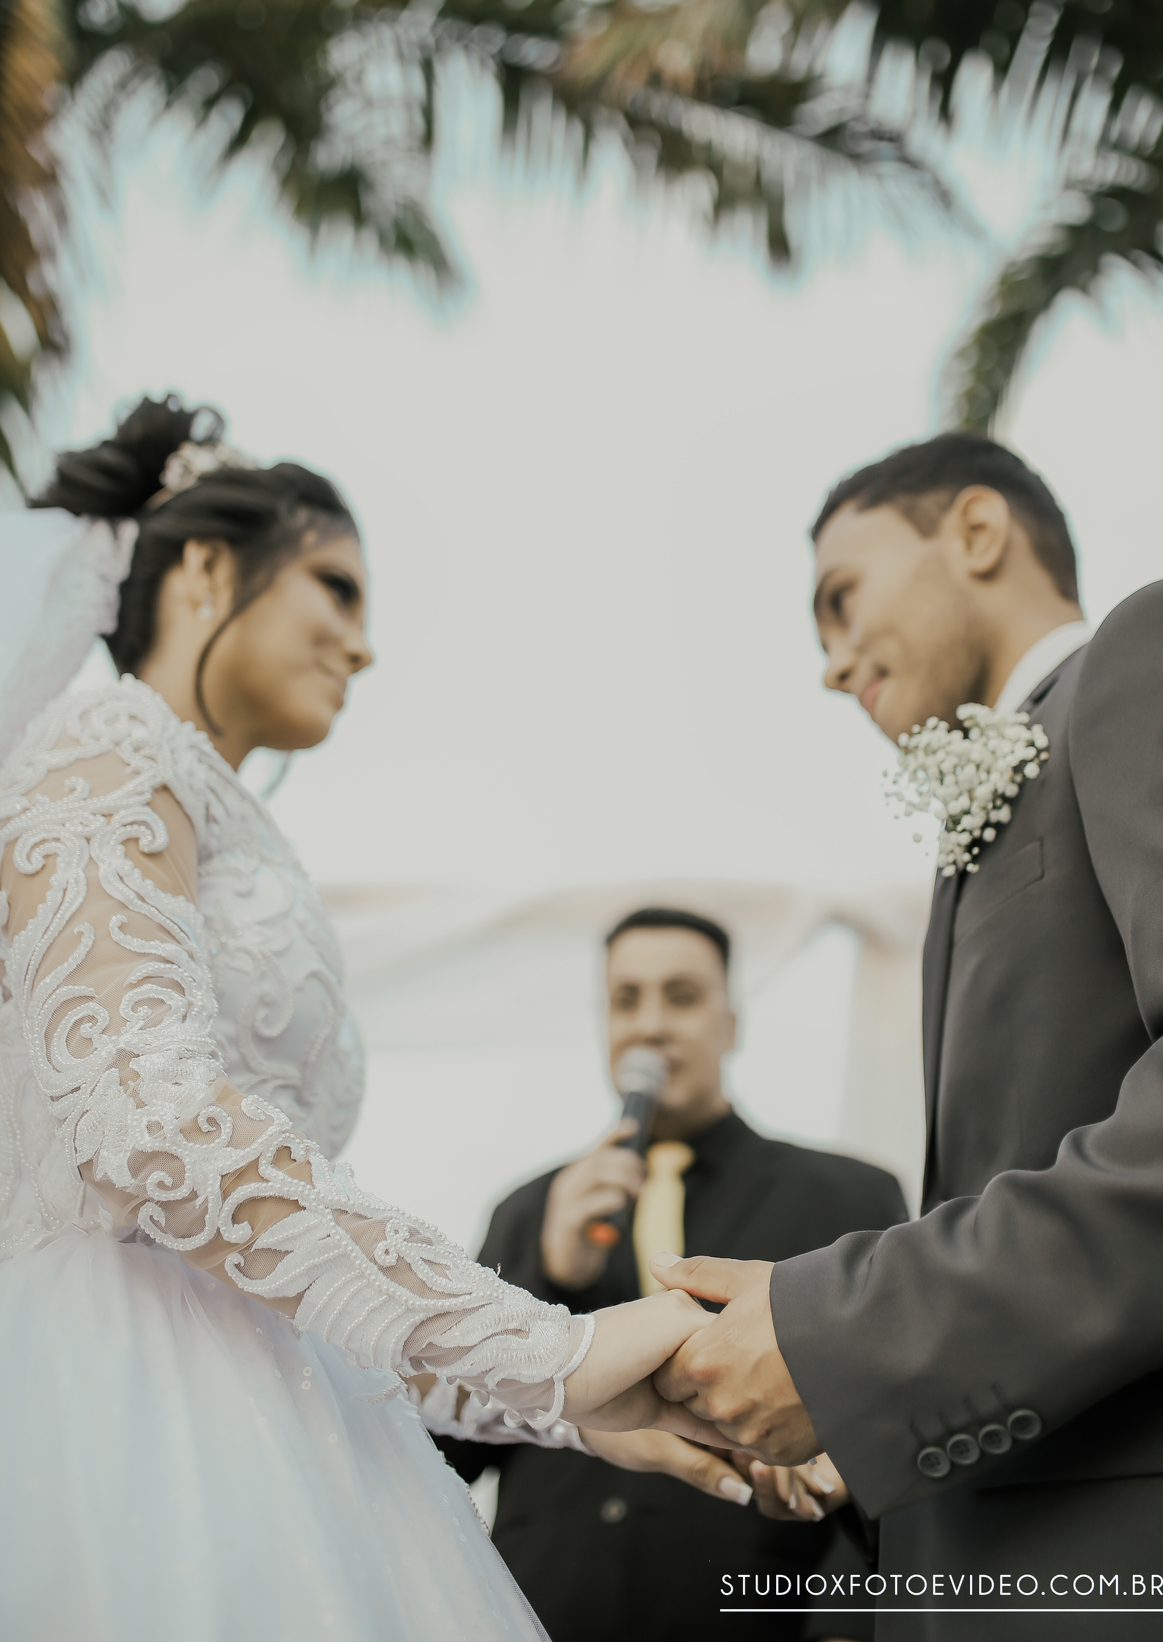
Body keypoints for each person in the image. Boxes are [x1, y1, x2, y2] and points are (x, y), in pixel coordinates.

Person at [0, 398, 744, 1642]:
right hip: (123, 1419)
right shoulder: (102, 755)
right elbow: (149, 1125)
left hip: (286, 1422)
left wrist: (561, 1404)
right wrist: (545, 1350)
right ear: (204, 569)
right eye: (336, 588)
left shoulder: (207, 807)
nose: (363, 644)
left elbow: (269, 1242)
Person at [651, 432, 1163, 1638]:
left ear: (977, 532)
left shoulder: (1151, 652)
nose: (831, 664)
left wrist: (848, 1340)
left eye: (841, 600)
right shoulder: (971, 838)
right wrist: (863, 1423)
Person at [440, 905, 908, 1642]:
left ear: (732, 1023)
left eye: (681, 997)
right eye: (627, 1000)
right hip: (544, 1614)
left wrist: (848, 1621)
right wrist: (549, 1276)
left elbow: (890, 1424)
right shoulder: (526, 1211)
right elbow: (450, 1452)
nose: (651, 1025)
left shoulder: (849, 1196)